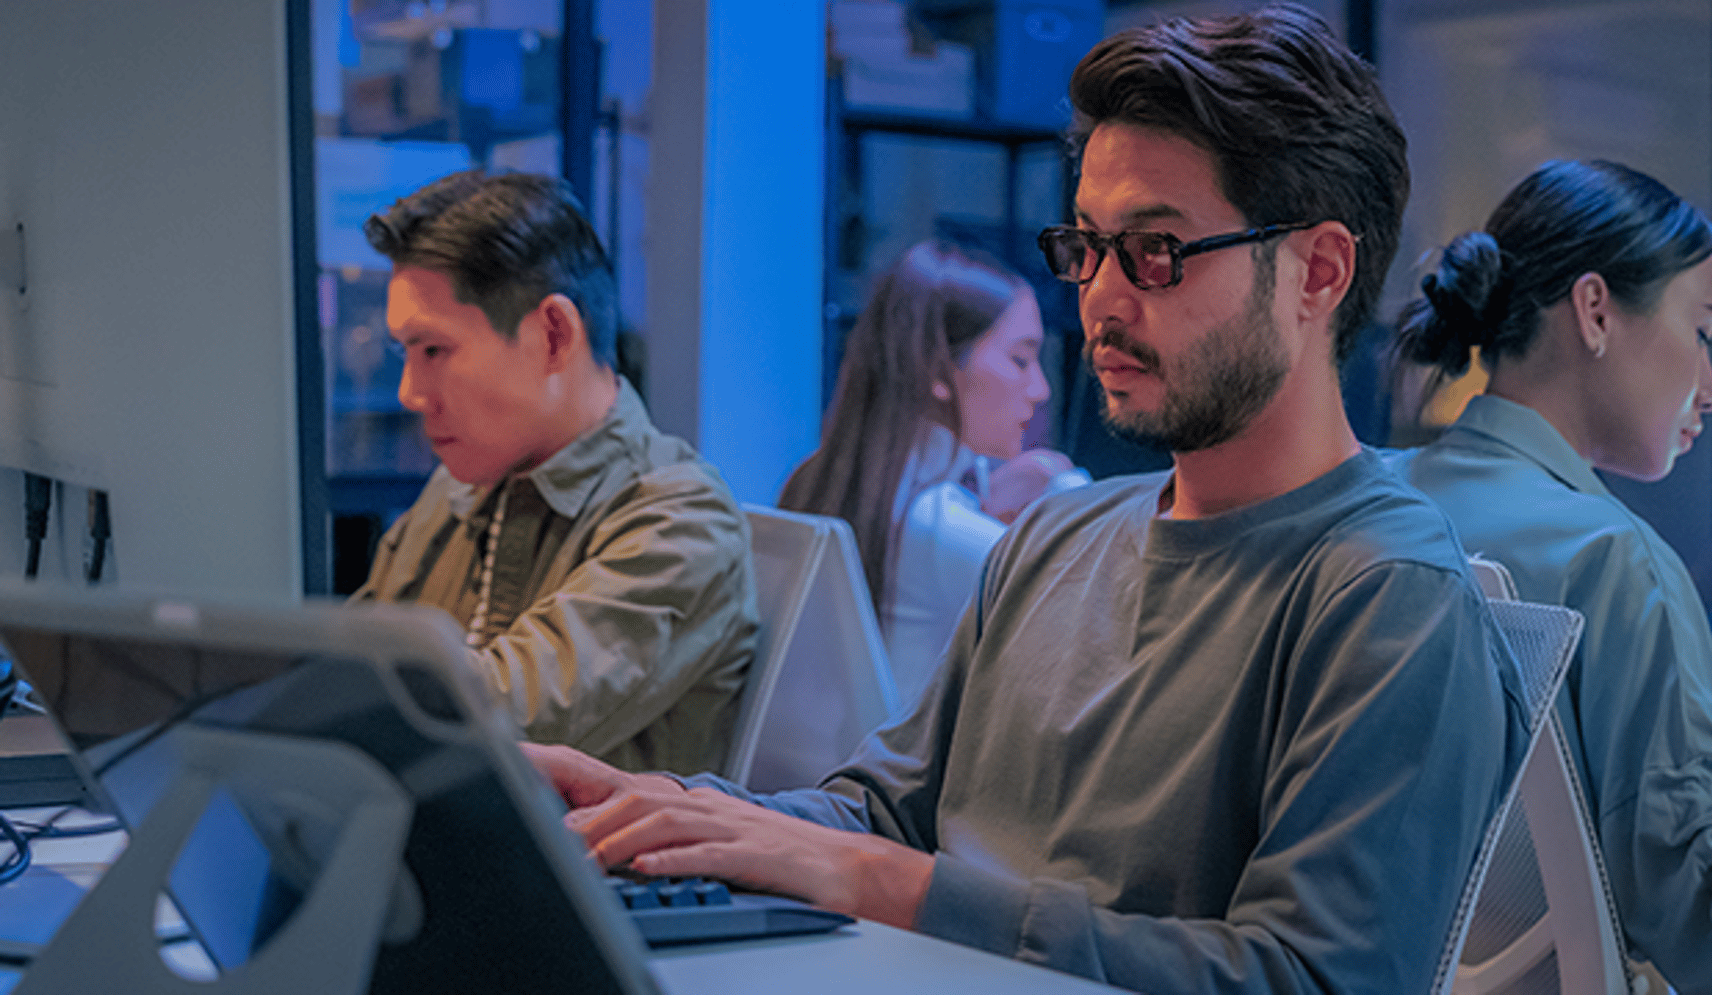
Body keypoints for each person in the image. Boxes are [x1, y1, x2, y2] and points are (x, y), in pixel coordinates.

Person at [529, 7, 1526, 993]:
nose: (1097, 295)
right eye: (1085, 246)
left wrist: (894, 884)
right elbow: (885, 813)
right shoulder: (1058, 531)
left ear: (1319, 270)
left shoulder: (1389, 594)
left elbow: (1307, 978)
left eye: (1155, 250)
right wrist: (671, 810)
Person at [1394, 158, 1712, 993]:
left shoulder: (1382, 504)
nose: (1711, 390)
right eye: (1703, 329)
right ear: (1596, 311)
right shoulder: (1614, 559)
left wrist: (1689, 676)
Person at [353, 170, 757, 775]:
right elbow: (345, 668)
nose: (411, 392)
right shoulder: (459, 486)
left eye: (434, 350)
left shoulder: (680, 518)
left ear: (552, 335)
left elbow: (483, 722)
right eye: (404, 353)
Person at [779, 240, 1086, 698]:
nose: (1039, 388)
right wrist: (1064, 489)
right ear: (938, 371)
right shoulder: (938, 526)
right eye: (1020, 360)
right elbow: (1103, 620)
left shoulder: (816, 478)